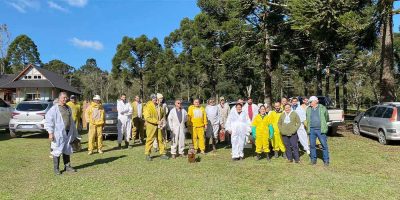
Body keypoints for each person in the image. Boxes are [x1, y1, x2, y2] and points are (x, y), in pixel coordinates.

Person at [45, 92, 78, 175]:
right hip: (58, 133)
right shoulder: (54, 109)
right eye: (63, 98)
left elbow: (72, 121)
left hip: (68, 132)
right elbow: (49, 121)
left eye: (66, 98)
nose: (65, 99)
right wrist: (50, 133)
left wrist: (74, 132)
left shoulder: (68, 108)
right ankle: (56, 169)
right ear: (59, 98)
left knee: (67, 149)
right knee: (57, 150)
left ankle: (67, 167)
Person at [144, 94, 169, 161]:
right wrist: (157, 122)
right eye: (154, 98)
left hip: (159, 126)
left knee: (160, 140)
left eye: (156, 98)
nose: (155, 100)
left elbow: (163, 115)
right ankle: (147, 154)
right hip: (151, 126)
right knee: (150, 140)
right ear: (151, 99)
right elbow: (147, 117)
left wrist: (162, 122)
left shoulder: (159, 106)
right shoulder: (147, 106)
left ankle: (162, 153)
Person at [306, 96, 330, 166]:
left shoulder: (323, 108)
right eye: (309, 102)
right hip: (311, 129)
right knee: (312, 145)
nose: (309, 103)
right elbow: (307, 118)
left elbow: (326, 117)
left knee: (324, 145)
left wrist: (323, 124)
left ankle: (326, 160)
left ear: (316, 101)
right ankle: (313, 159)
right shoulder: (308, 109)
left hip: (320, 129)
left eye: (311, 102)